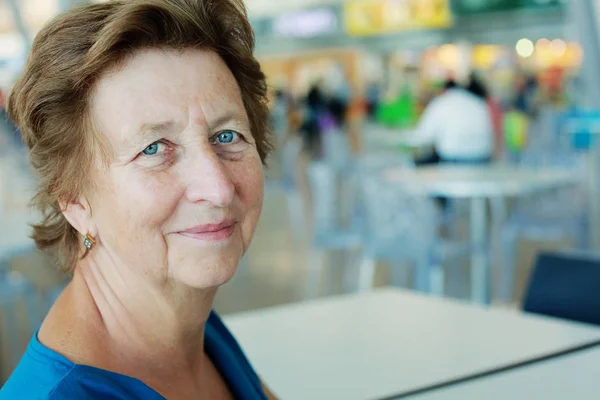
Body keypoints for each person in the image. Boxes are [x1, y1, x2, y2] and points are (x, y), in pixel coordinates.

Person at [0, 1, 278, 399]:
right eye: (153, 149)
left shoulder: (194, 326)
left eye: (227, 136)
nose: (217, 188)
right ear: (73, 198)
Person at [410, 78, 494, 164]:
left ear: (443, 90)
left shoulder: (441, 102)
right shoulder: (477, 101)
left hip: (452, 159)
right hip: (483, 158)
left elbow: (424, 136)